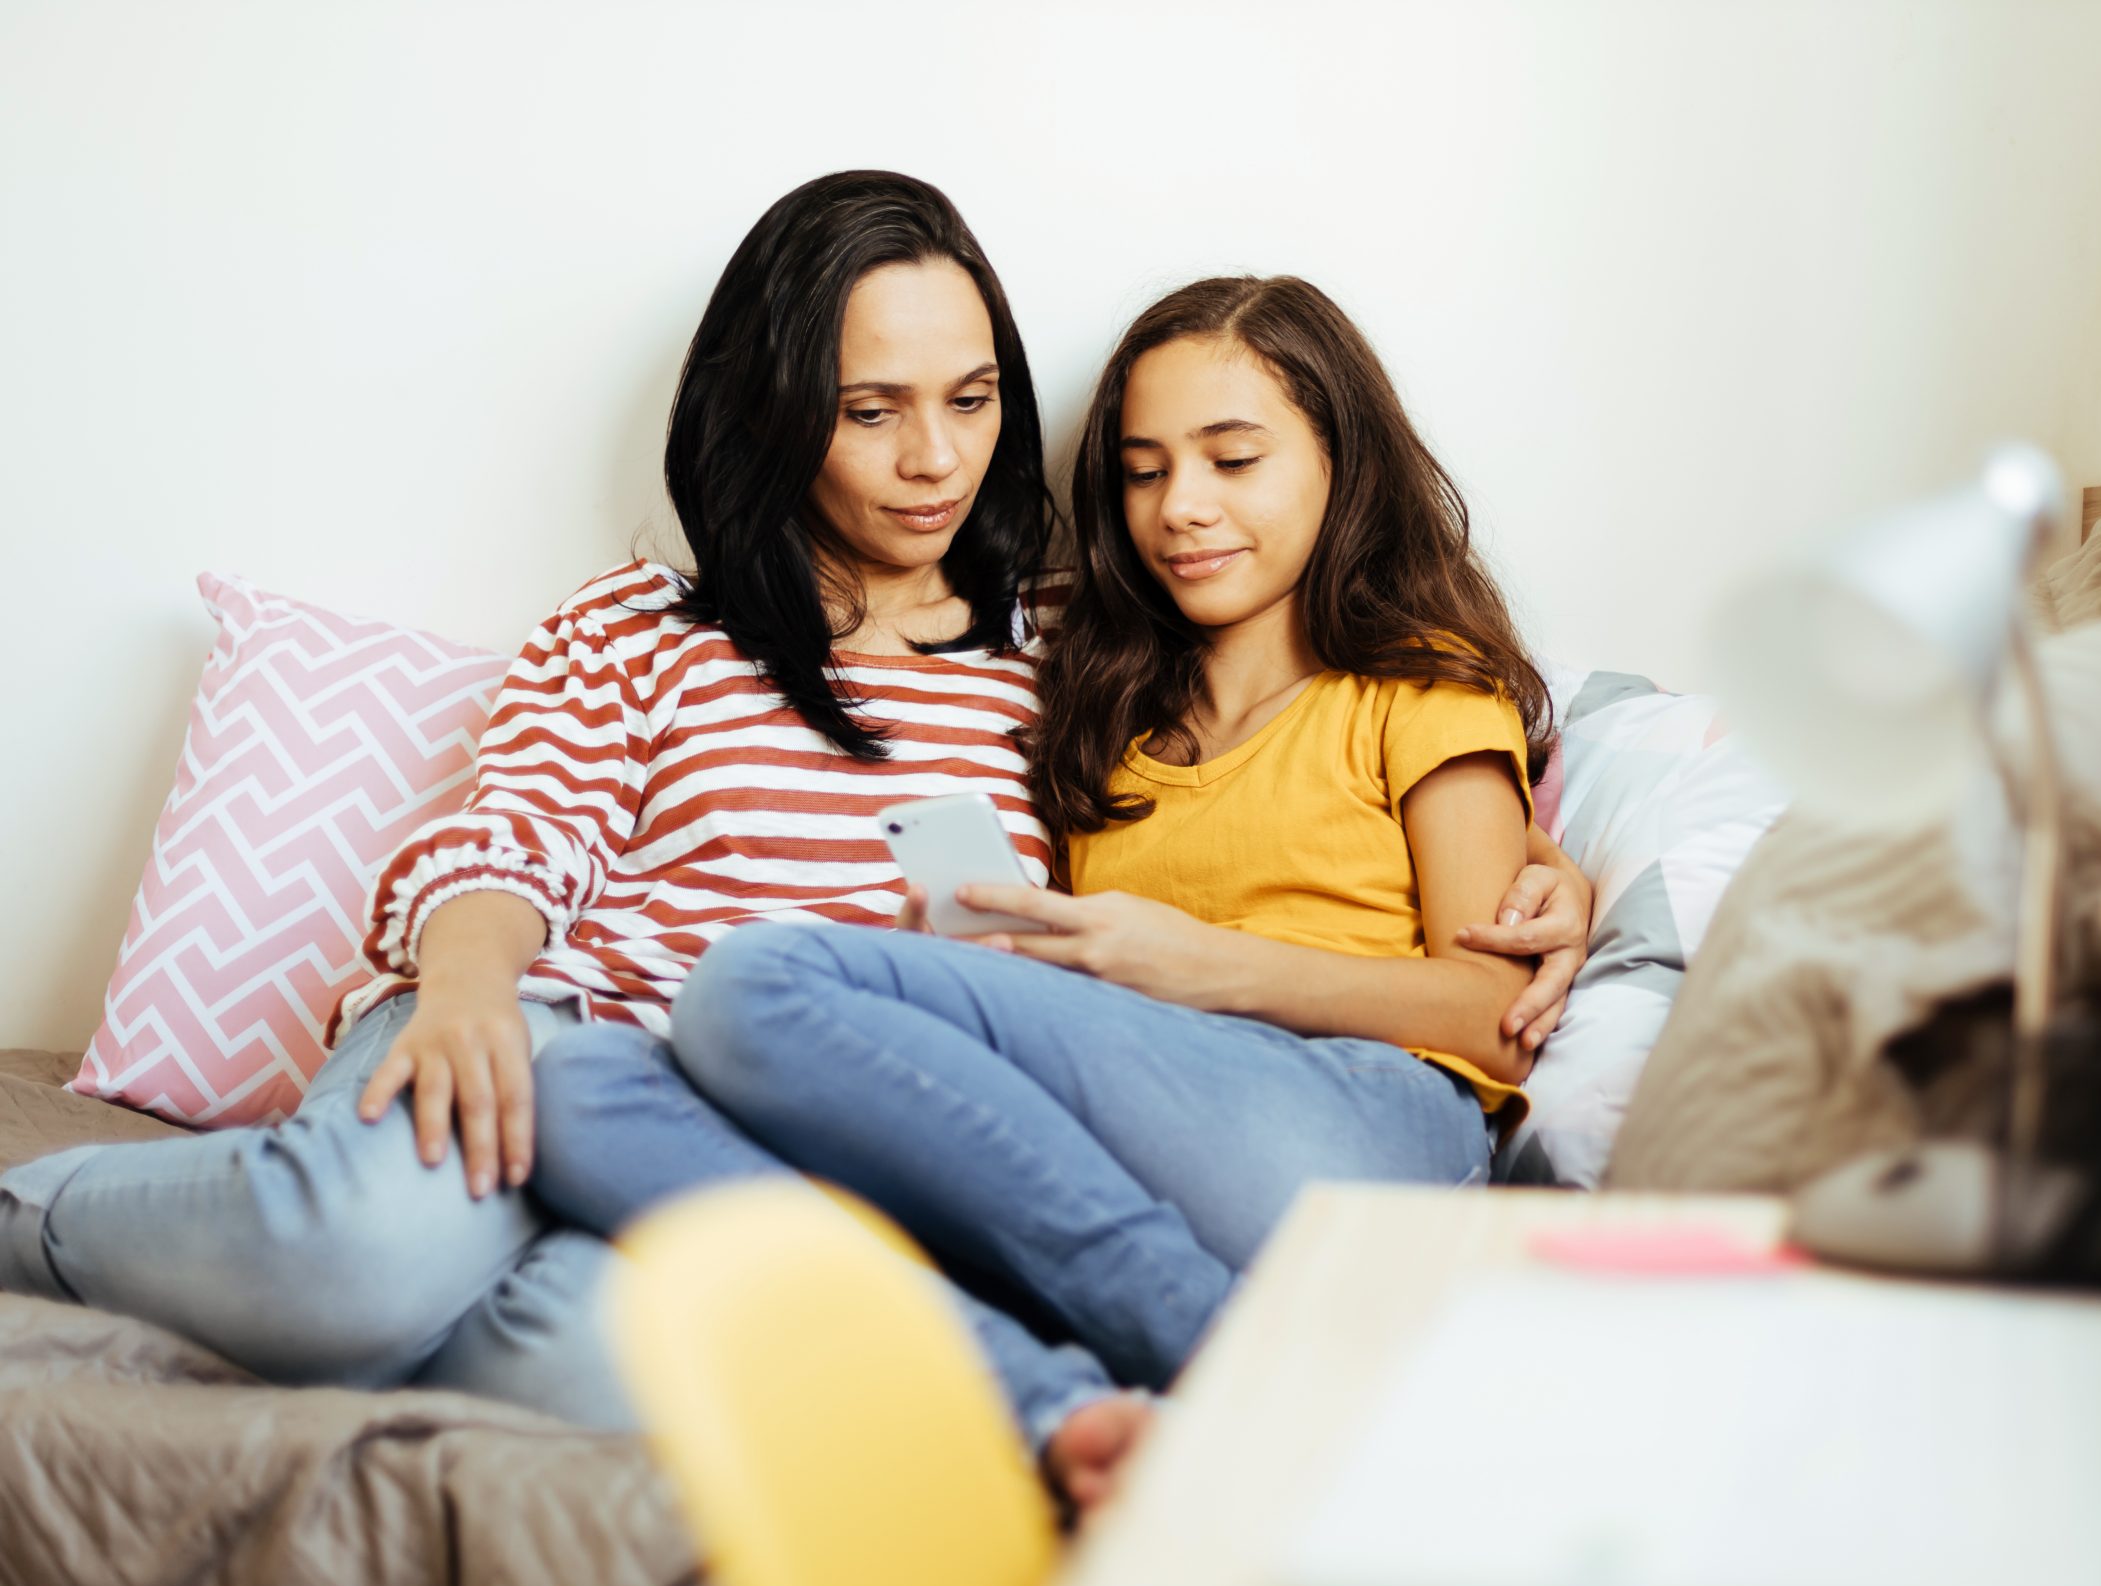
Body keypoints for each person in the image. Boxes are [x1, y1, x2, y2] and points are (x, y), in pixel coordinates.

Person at [0, 179, 1588, 1461]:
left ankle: (1059, 1411)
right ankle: (32, 1211)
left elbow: (1338, 810)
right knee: (362, 1256)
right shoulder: (651, 621)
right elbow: (508, 837)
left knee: (630, 1343)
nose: (936, 458)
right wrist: (470, 990)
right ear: (776, 412)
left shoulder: (1063, 654)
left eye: (972, 399)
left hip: (788, 1151)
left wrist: (1555, 882)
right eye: (869, 409)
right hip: (560, 1035)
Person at [538, 274, 1555, 1508]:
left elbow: (1495, 1010)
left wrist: (1197, 966)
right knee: (580, 1083)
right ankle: (1059, 1403)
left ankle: (1214, 1344)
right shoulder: (1103, 704)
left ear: (1343, 465)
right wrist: (977, 966)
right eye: (1140, 471)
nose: (1181, 509)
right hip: (1153, 1132)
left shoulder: (1418, 683)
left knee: (755, 982)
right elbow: (1096, 1028)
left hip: (1358, 1134)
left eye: (1234, 460)